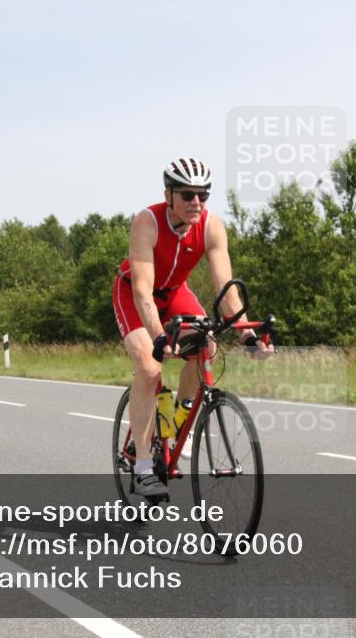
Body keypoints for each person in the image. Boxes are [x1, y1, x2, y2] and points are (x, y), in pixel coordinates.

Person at [112, 157, 273, 498]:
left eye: (203, 194)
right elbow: (142, 289)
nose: (196, 202)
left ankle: (171, 425)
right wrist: (158, 336)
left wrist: (247, 334)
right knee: (149, 365)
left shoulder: (212, 227)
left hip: (173, 295)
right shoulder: (147, 222)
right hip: (135, 294)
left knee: (207, 347)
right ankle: (142, 467)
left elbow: (225, 288)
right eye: (187, 195)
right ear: (168, 194)